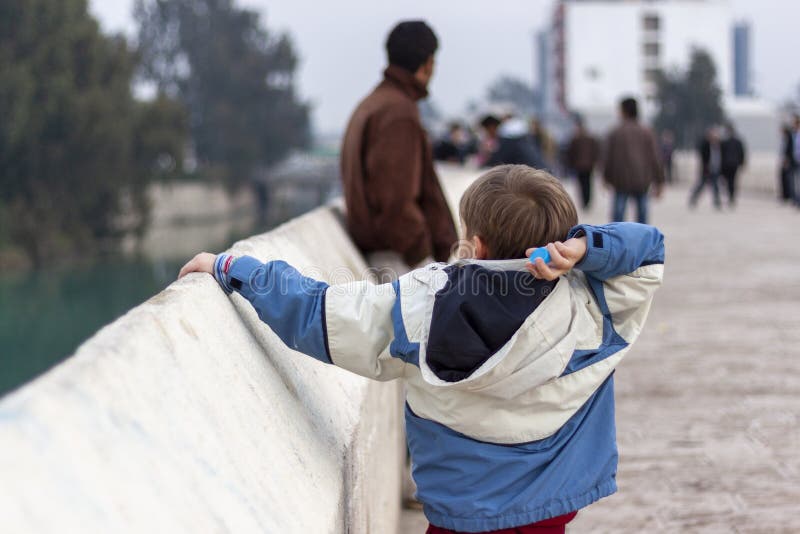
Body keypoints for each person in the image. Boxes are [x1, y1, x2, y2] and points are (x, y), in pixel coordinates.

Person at [178, 164, 665, 534]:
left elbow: (317, 315)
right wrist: (588, 247)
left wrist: (234, 270)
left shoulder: (419, 304)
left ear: (473, 245)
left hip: (459, 516)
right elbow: (649, 251)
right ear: (562, 240)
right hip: (551, 511)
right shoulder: (595, 301)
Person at [340, 21, 457, 279]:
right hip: (400, 258)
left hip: (387, 252)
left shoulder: (373, 103)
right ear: (428, 64)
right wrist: (423, 259)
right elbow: (395, 202)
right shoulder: (397, 112)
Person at [603, 97, 664, 223]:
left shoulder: (615, 132)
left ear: (624, 111)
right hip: (642, 180)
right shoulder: (646, 132)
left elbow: (607, 158)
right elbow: (655, 158)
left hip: (620, 180)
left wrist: (605, 177)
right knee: (642, 217)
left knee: (618, 217)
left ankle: (617, 240)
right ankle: (642, 240)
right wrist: (659, 180)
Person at [565, 118, 600, 209]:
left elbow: (570, 153)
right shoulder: (591, 138)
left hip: (578, 166)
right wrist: (594, 161)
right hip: (589, 165)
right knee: (588, 184)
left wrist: (571, 164)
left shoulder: (574, 139)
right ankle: (587, 201)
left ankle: (584, 202)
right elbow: (596, 151)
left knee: (581, 185)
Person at [689, 126, 723, 210]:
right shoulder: (705, 144)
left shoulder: (719, 145)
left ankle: (717, 202)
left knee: (715, 186)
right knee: (701, 185)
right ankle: (693, 198)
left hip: (715, 168)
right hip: (706, 169)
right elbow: (702, 156)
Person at [720, 123, 746, 207]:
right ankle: (731, 197)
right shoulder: (735, 141)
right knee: (731, 182)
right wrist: (742, 163)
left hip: (729, 165)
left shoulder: (725, 141)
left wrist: (742, 163)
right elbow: (742, 153)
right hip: (732, 164)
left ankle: (731, 197)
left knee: (730, 181)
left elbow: (742, 153)